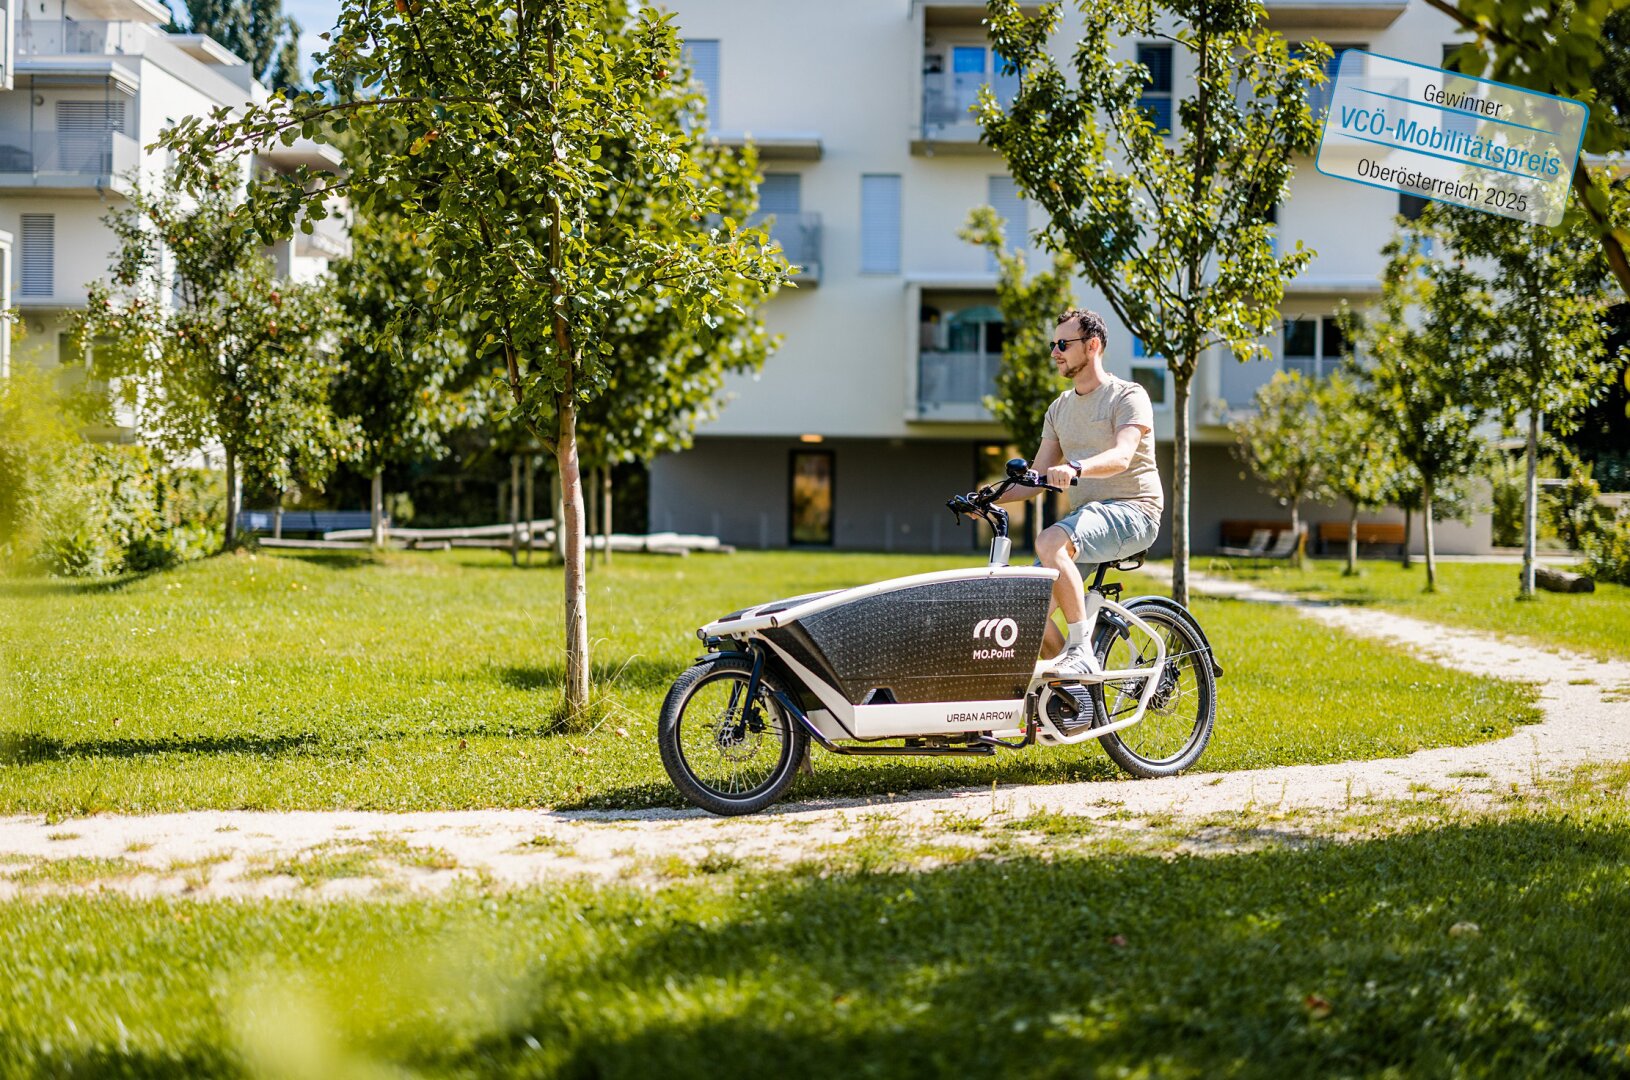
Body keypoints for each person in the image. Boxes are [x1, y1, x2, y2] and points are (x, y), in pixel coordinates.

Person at [995, 309, 1164, 674]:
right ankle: (1073, 693)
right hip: (1086, 522)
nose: (1054, 351)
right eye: (1052, 343)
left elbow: (1121, 456)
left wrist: (1075, 468)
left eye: (1063, 344)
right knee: (1028, 612)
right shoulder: (1059, 409)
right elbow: (1035, 476)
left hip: (1134, 512)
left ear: (1092, 346)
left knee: (1048, 542)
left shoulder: (1128, 396)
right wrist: (986, 498)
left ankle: (1080, 651)